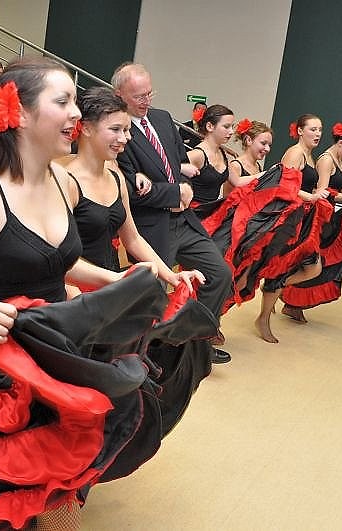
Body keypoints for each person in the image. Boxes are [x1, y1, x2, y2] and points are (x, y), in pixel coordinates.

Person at [0, 56, 167, 531]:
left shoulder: (61, 179)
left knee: (60, 489)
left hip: (62, 357)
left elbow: (57, 262)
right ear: (18, 112)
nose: (76, 114)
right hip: (2, 374)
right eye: (63, 101)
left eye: (75, 102)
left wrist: (116, 281)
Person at [113, 62, 232, 364]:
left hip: (184, 219)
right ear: (119, 94)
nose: (146, 101)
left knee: (219, 275)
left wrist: (184, 187)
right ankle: (148, 352)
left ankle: (191, 344)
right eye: (139, 96)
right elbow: (130, 188)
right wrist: (174, 193)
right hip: (151, 223)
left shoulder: (163, 119)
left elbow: (180, 164)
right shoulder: (117, 131)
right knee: (152, 292)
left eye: (149, 93)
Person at [66, 86, 204, 291]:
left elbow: (133, 239)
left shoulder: (116, 179)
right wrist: (116, 279)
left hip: (109, 286)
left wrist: (171, 276)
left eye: (126, 130)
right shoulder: (67, 182)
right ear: (86, 128)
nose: (126, 138)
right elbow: (59, 258)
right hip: (77, 291)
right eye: (116, 129)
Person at [279, 122, 342, 319]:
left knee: (316, 264)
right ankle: (282, 292)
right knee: (313, 264)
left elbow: (337, 187)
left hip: (328, 216)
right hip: (321, 218)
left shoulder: (338, 159)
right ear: (341, 143)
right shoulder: (326, 160)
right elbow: (324, 192)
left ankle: (291, 300)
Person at [254, 113, 330, 342]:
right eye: (313, 129)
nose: (318, 134)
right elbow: (284, 185)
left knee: (313, 268)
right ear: (299, 131)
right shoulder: (295, 153)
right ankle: (263, 318)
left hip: (303, 219)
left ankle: (273, 289)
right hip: (289, 220)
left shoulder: (309, 155)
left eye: (320, 130)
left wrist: (316, 195)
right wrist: (311, 197)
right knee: (280, 268)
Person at [185, 104, 256, 206]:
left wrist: (268, 172)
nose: (231, 131)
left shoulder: (222, 153)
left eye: (232, 127)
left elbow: (237, 181)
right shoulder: (197, 154)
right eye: (226, 127)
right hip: (194, 212)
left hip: (212, 210)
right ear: (210, 126)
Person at [227, 119, 273, 188]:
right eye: (263, 143)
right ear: (249, 140)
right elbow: (228, 194)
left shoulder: (257, 166)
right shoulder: (235, 166)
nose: (268, 149)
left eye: (269, 145)